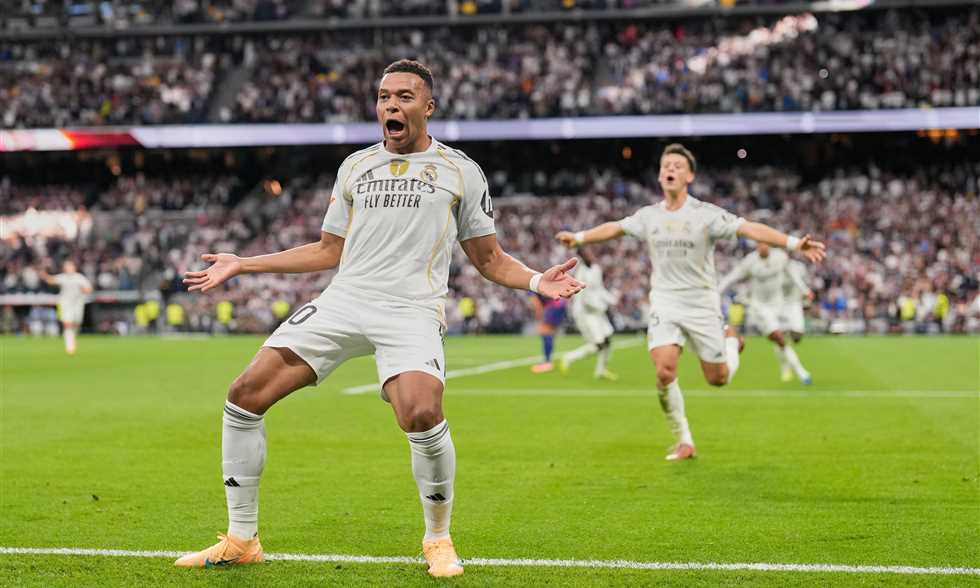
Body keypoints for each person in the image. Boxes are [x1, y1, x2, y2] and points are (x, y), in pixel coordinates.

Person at [176, 60, 584, 577]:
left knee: (421, 412)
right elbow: (327, 250)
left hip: (411, 309)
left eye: (404, 97)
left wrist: (536, 280)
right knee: (244, 395)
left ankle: (438, 538)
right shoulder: (355, 166)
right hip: (345, 300)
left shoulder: (460, 170)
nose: (391, 105)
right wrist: (244, 263)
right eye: (384, 96)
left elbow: (489, 259)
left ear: (428, 107)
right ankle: (241, 539)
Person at [557, 143, 825, 461]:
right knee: (664, 371)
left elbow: (749, 228)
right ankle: (684, 439)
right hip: (665, 302)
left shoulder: (705, 215)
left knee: (718, 378)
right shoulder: (649, 216)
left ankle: (730, 341)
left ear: (690, 176)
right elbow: (616, 228)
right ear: (660, 176)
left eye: (677, 165)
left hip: (701, 304)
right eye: (665, 165)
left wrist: (793, 243)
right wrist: (580, 237)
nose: (670, 169)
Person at [718, 242, 813, 384]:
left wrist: (805, 289)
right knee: (779, 337)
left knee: (796, 337)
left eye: (765, 244)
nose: (762, 247)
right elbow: (732, 277)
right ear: (756, 247)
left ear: (770, 245)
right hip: (761, 307)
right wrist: (717, 291)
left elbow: (792, 273)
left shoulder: (780, 257)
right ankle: (801, 371)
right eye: (759, 245)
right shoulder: (750, 261)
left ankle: (784, 357)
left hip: (780, 303)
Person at [559, 248, 618, 380]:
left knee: (608, 339)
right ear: (582, 257)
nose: (590, 255)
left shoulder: (596, 269)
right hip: (585, 313)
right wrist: (602, 307)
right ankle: (568, 358)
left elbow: (599, 289)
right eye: (587, 254)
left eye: (591, 252)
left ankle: (601, 371)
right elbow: (584, 300)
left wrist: (612, 300)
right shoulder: (581, 274)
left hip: (597, 312)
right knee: (597, 345)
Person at [39, 260, 93, 355]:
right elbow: (51, 280)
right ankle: (70, 346)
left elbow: (89, 289)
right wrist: (44, 275)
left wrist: (85, 290)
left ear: (74, 267)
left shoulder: (80, 278)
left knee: (76, 324)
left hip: (77, 304)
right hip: (65, 304)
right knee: (67, 324)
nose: (68, 268)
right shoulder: (63, 277)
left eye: (69, 266)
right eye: (66, 266)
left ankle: (72, 338)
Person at [529, 293, 567, 373]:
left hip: (554, 306)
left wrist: (539, 316)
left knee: (545, 332)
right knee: (549, 333)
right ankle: (547, 361)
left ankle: (547, 362)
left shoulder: (530, 288)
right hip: (560, 304)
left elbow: (536, 303)